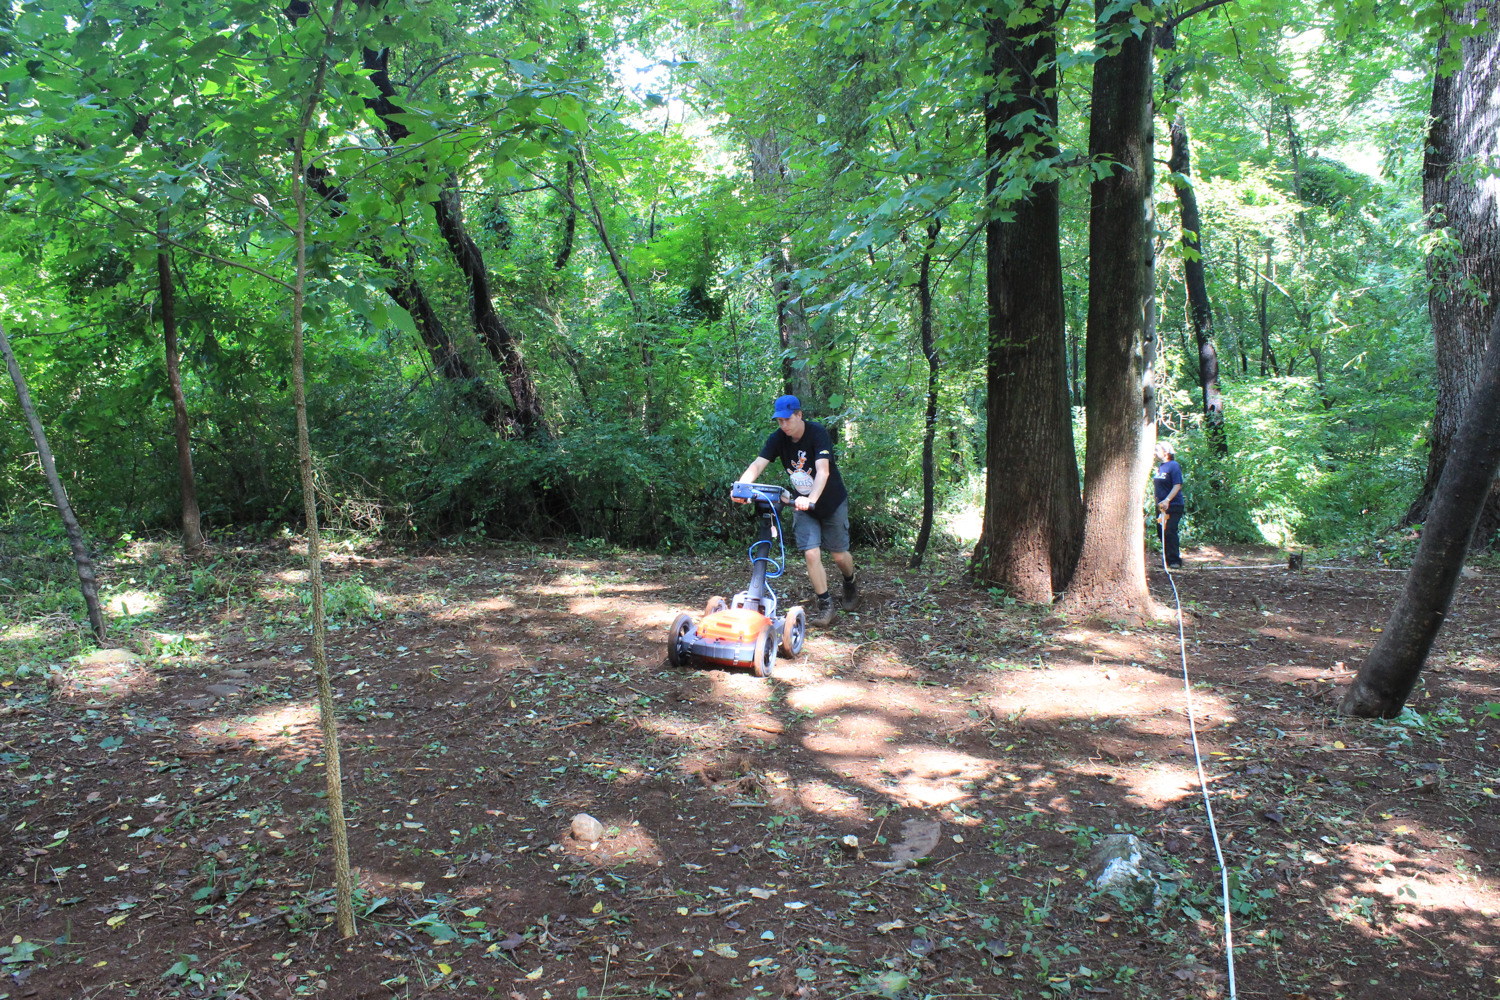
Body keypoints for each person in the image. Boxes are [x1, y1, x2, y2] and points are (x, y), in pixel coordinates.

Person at [737, 395, 859, 625]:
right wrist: (741, 488)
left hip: (830, 501)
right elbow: (758, 464)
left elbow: (823, 471)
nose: (784, 425)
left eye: (787, 419)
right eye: (779, 421)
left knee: (839, 555)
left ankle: (850, 581)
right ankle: (825, 605)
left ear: (799, 415)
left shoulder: (816, 433)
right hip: (802, 505)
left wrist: (811, 498)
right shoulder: (778, 439)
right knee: (811, 552)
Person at [1153, 440, 1185, 569]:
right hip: (1161, 507)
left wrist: (1167, 500)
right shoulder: (1160, 467)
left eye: (1157, 450)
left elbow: (1177, 485)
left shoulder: (1174, 465)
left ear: (1165, 452)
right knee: (1161, 532)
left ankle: (1175, 561)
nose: (1154, 453)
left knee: (1170, 530)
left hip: (1174, 505)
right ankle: (1166, 560)